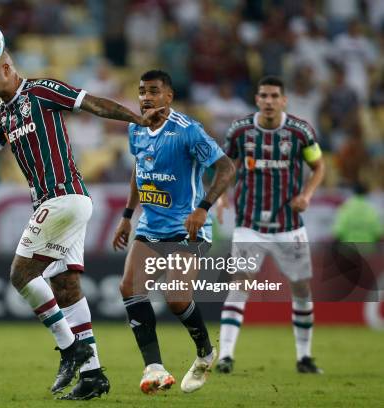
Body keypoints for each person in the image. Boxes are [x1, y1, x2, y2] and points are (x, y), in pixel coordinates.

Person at [0, 51, 164, 400]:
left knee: (21, 275)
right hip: (59, 204)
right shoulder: (1, 114)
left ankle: (69, 348)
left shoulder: (42, 90)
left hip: (64, 198)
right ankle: (93, 375)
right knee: (65, 286)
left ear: (6, 68)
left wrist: (138, 120)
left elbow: (92, 104)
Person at [112, 70, 235, 394]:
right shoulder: (135, 129)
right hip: (150, 225)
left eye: (153, 91)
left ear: (169, 96)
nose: (146, 98)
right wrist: (127, 216)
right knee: (130, 288)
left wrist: (203, 207)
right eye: (141, 92)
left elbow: (227, 168)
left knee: (176, 296)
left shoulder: (188, 131)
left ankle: (206, 352)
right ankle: (154, 369)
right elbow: (140, 170)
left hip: (187, 226)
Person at [216, 76, 326, 374]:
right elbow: (228, 165)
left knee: (301, 289)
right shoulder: (239, 130)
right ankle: (225, 356)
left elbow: (319, 166)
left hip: (289, 225)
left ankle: (304, 357)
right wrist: (222, 196)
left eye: (274, 96)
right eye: (263, 95)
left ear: (283, 100)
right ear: (256, 99)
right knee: (240, 285)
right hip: (249, 223)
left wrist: (307, 194)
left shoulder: (300, 131)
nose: (268, 101)